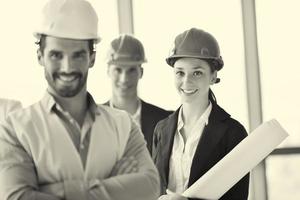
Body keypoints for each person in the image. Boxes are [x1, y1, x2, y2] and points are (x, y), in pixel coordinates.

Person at [0, 0, 159, 200]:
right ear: (40, 56)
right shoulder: (15, 129)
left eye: (78, 55)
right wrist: (115, 186)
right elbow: (17, 197)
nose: (67, 67)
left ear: (92, 58)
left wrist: (54, 191)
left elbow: (150, 186)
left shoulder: (124, 124)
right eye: (56, 55)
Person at [152, 28, 249, 200]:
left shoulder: (234, 133)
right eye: (180, 72)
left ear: (213, 76)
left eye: (197, 72)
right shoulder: (161, 130)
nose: (186, 82)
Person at [104, 34, 172, 152]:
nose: (124, 79)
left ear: (141, 72)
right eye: (118, 70)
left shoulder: (165, 121)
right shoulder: (92, 119)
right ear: (108, 72)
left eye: (131, 70)